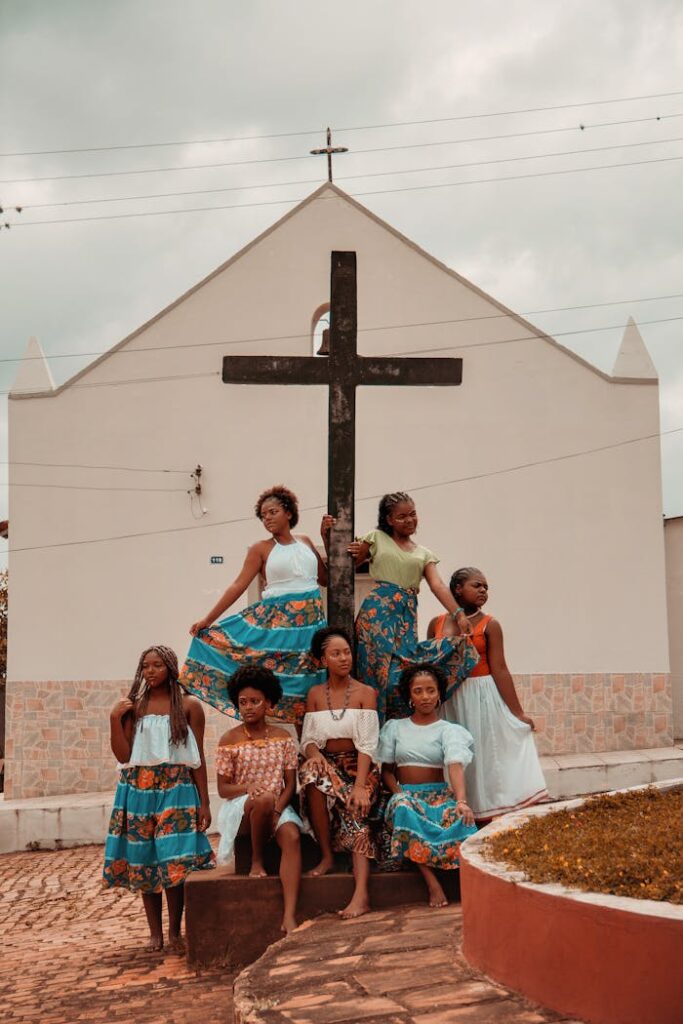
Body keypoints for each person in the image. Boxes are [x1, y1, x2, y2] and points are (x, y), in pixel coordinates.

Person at [321, 492, 478, 720]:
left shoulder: (424, 553)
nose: (409, 520)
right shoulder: (376, 537)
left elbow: (438, 585)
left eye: (413, 514)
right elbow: (344, 568)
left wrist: (459, 614)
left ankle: (397, 730)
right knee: (377, 675)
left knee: (403, 674)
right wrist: (328, 538)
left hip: (406, 617)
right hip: (377, 613)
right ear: (389, 520)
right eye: (402, 516)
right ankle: (372, 734)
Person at [181, 485, 327, 727]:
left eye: (272, 512)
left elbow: (326, 580)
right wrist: (207, 620)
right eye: (263, 515)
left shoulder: (306, 541)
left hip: (310, 626)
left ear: (288, 512)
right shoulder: (260, 548)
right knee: (273, 681)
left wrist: (326, 539)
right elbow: (238, 585)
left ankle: (308, 752)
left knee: (306, 683)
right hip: (276, 624)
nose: (267, 518)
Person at [103, 645, 215, 952]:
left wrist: (204, 802)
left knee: (174, 859)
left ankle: (175, 930)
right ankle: (155, 933)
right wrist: (115, 718)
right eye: (146, 666)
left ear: (170, 669)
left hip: (177, 788)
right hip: (137, 789)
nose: (150, 671)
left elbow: (198, 757)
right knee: (144, 862)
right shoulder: (133, 707)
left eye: (157, 665)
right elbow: (123, 755)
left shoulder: (190, 706)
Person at [429, 567, 548, 821]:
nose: (484, 590)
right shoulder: (436, 623)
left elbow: (500, 668)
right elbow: (430, 665)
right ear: (458, 589)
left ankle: (483, 815)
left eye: (486, 587)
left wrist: (518, 713)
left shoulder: (489, 625)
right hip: (449, 699)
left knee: (481, 757)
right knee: (453, 755)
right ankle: (454, 813)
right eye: (477, 585)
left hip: (481, 698)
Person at [378, 663, 478, 908]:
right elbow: (387, 772)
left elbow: (454, 765)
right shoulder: (395, 728)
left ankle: (474, 887)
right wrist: (399, 793)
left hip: (438, 795)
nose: (425, 697)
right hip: (405, 796)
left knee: (459, 817)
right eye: (418, 691)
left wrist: (462, 801)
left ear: (439, 694)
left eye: (431, 690)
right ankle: (432, 883)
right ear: (409, 696)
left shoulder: (449, 731)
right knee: (403, 808)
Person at [299, 626, 380, 919]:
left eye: (347, 652)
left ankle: (361, 896)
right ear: (323, 660)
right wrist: (315, 755)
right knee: (310, 774)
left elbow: (369, 745)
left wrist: (359, 786)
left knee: (356, 812)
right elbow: (307, 740)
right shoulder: (315, 694)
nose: (343, 658)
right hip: (327, 762)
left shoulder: (365, 693)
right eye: (335, 654)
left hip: (360, 767)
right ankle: (327, 855)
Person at [214, 664, 303, 934]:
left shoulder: (283, 738)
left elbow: (290, 784)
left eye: (255, 701)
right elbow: (223, 790)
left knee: (293, 837)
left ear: (269, 703)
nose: (249, 707)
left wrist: (278, 809)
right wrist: (247, 787)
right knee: (262, 799)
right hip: (241, 808)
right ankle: (256, 860)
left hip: (276, 804)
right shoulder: (229, 739)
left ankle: (289, 914)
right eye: (243, 702)